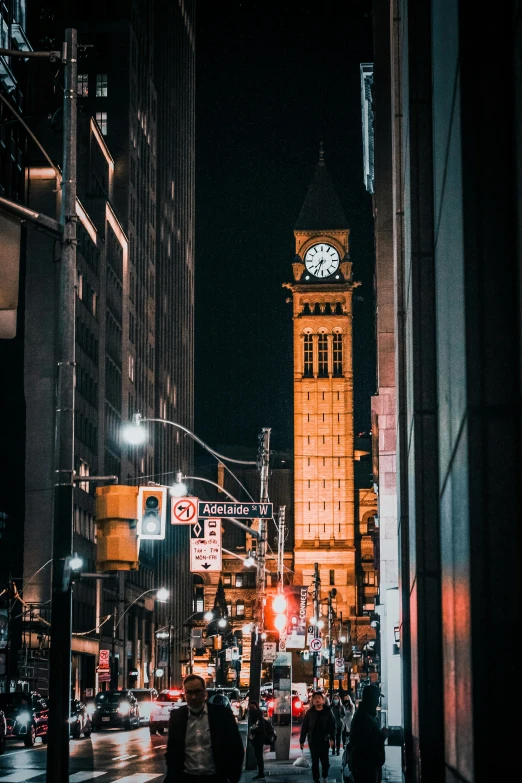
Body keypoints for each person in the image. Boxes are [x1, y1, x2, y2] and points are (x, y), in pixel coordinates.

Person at [165, 674, 244, 783]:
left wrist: (232, 777)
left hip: (215, 777)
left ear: (204, 693)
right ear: (185, 694)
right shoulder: (177, 716)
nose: (193, 696)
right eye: (189, 692)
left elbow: (236, 747)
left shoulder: (222, 714)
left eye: (197, 691)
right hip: (187, 778)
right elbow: (172, 751)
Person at [347, 685, 386, 783]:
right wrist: (382, 736)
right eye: (377, 697)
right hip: (366, 765)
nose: (378, 701)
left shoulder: (368, 715)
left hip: (368, 763)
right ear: (371, 698)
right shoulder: (365, 717)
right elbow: (366, 743)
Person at [299, 690, 336, 783]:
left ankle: (325, 776)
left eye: (319, 698)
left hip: (324, 740)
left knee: (325, 761)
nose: (317, 700)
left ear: (323, 700)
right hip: (313, 740)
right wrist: (302, 741)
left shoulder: (328, 711)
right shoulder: (309, 712)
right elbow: (304, 727)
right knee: (315, 762)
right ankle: (316, 779)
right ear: (313, 700)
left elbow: (332, 725)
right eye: (315, 698)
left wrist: (332, 738)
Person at [247, 700, 273, 780]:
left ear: (256, 707)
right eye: (250, 707)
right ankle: (260, 773)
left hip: (259, 738)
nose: (251, 708)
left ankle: (261, 773)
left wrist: (253, 731)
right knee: (258, 756)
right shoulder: (253, 715)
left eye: (253, 707)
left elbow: (261, 728)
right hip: (256, 738)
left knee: (259, 756)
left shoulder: (257, 716)